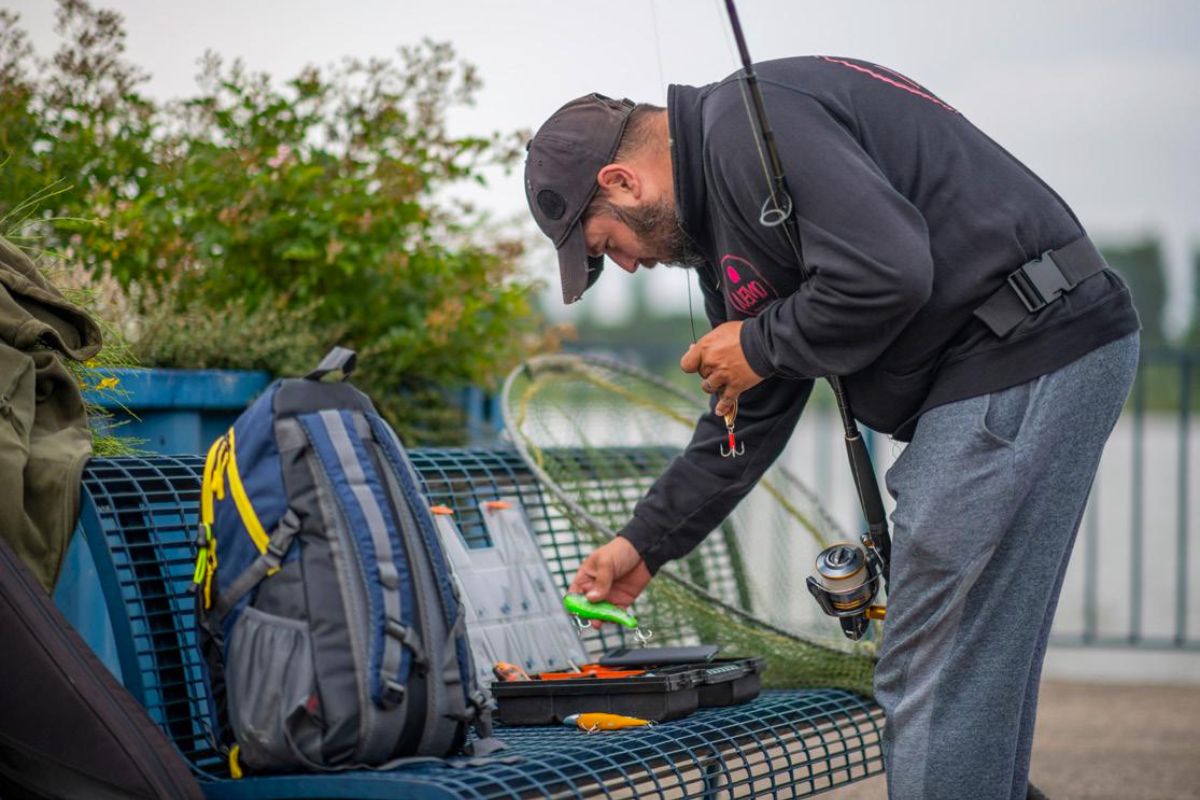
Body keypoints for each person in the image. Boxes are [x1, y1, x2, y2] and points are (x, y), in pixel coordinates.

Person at [522, 56, 1138, 800]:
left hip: (1025, 345)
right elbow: (751, 410)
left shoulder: (747, 130)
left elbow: (889, 271)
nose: (623, 266)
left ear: (623, 183)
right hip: (1025, 361)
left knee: (931, 666)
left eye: (603, 245)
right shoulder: (725, 212)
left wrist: (756, 342)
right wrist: (643, 544)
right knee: (966, 668)